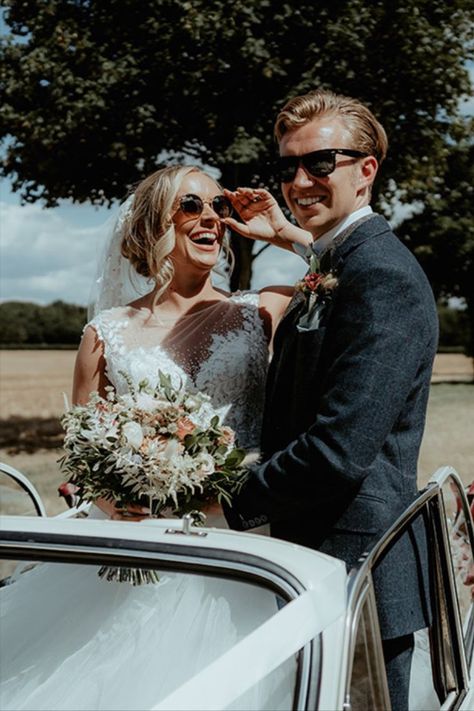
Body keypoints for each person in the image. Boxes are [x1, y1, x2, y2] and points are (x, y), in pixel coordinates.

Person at [0, 164, 298, 711]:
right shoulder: (105, 333)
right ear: (152, 226)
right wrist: (117, 502)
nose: (211, 217)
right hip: (131, 545)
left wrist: (283, 233)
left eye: (220, 208)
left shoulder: (262, 308)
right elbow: (83, 452)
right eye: (191, 205)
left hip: (236, 541)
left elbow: (350, 276)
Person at [223, 89, 439, 711]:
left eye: (320, 164)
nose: (299, 181)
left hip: (356, 569)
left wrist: (221, 501)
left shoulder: (383, 276)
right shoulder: (343, 259)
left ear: (366, 169)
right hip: (315, 560)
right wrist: (291, 237)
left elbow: (337, 451)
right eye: (288, 166)